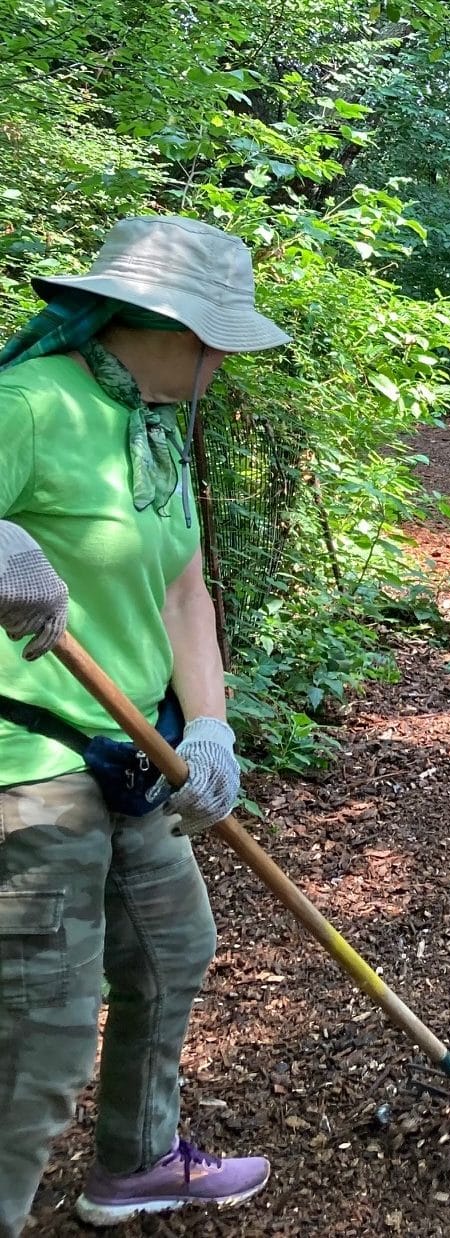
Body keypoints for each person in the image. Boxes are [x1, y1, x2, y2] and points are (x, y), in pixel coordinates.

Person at [0, 215, 290, 1234]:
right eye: (216, 337)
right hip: (27, 759)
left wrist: (208, 728)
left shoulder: (157, 423)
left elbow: (184, 590)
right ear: (161, 320)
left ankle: (136, 1159)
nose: (223, 361)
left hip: (135, 751)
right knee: (42, 1025)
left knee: (174, 947)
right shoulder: (33, 402)